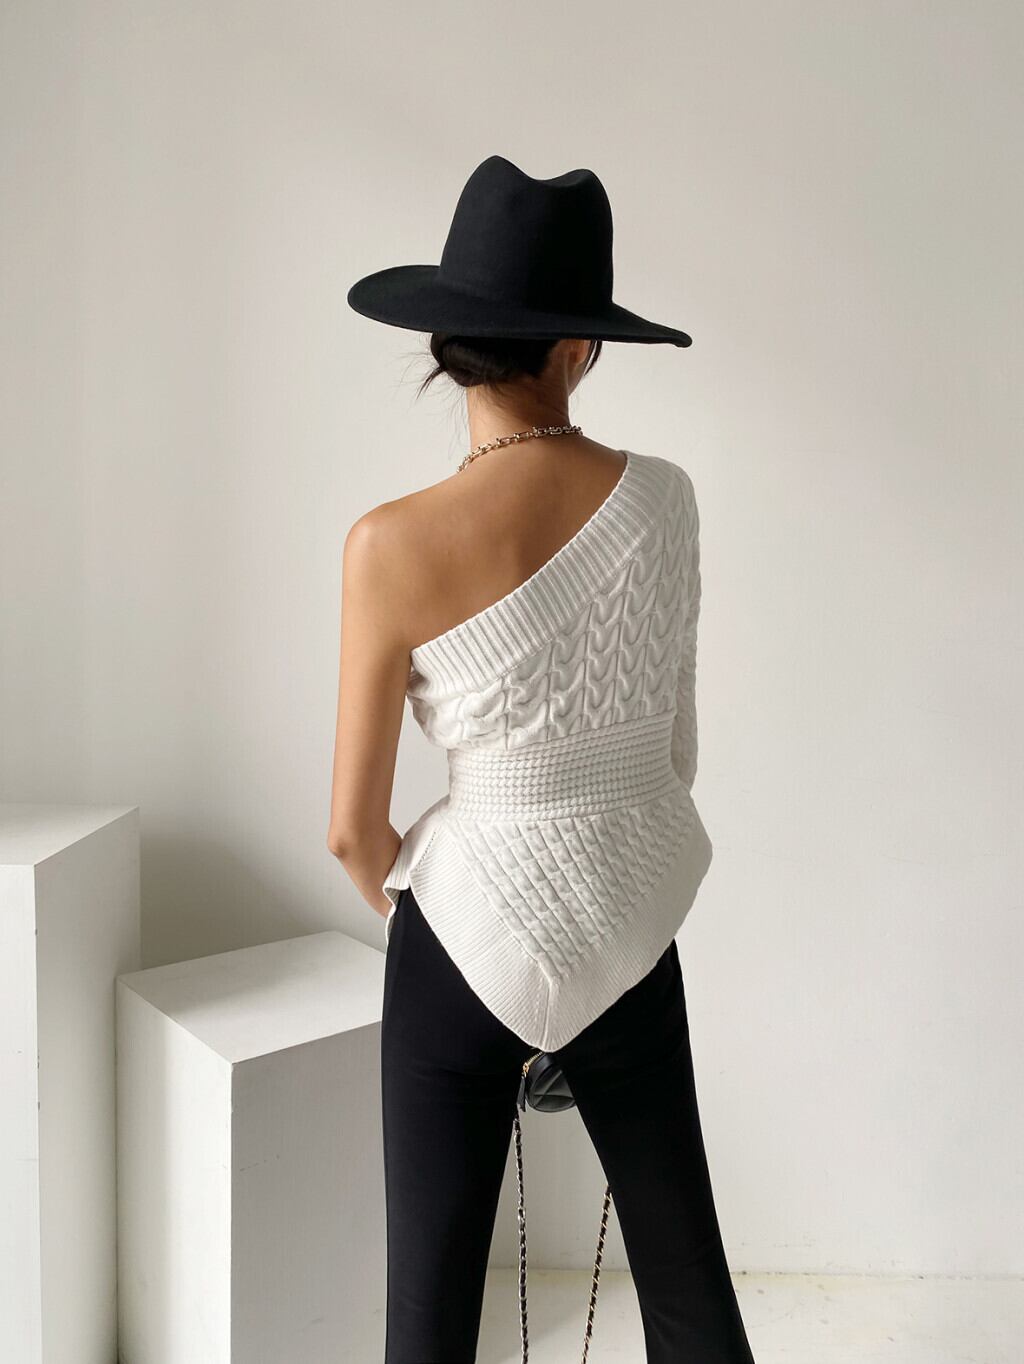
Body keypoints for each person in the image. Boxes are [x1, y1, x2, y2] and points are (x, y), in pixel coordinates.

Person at [329, 154, 756, 1363]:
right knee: (687, 1287)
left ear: (444, 340)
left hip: (463, 931)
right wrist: (588, 921)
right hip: (627, 914)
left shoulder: (386, 543)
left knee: (427, 1315)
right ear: (579, 347)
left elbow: (352, 832)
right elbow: (674, 753)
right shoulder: (661, 500)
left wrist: (471, 944)